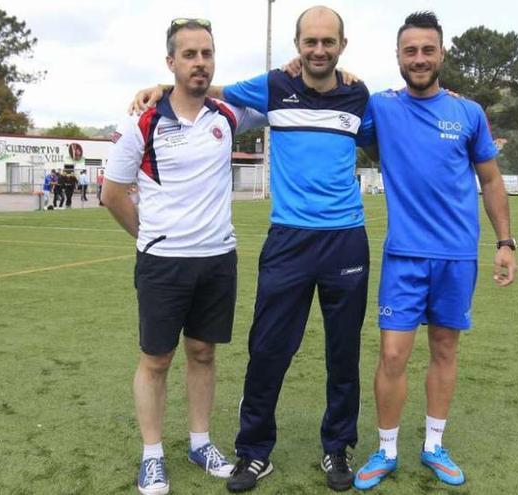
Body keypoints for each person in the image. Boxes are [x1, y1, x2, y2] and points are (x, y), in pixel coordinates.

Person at [130, 7, 371, 492]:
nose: (319, 50)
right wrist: (159, 86)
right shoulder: (274, 86)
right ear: (298, 45)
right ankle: (254, 452)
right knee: (267, 350)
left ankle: (337, 448)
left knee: (342, 353)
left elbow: (400, 119)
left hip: (346, 239)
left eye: (328, 42)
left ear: (342, 45)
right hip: (288, 240)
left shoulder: (359, 94)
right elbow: (206, 89)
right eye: (311, 41)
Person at [351, 11, 517, 490]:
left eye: (428, 50)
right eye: (410, 51)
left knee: (445, 348)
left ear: (441, 54)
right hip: (404, 255)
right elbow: (334, 111)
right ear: (398, 57)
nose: (419, 58)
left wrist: (505, 242)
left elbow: (490, 178)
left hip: (457, 256)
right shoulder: (380, 108)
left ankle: (433, 445)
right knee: (394, 355)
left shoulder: (468, 113)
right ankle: (385, 450)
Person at [105, 17, 265, 495]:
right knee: (156, 359)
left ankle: (200, 441)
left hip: (218, 258)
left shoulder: (228, 116)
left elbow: (281, 101)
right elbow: (113, 193)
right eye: (189, 55)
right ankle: (152, 455)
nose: (199, 62)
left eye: (206, 54)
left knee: (203, 352)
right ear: (170, 62)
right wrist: (149, 237)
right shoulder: (143, 122)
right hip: (163, 262)